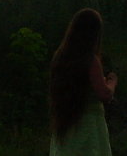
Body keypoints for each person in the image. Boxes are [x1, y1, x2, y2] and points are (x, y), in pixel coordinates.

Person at [49, 8, 117, 156]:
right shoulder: (90, 60)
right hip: (88, 127)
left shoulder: (60, 58)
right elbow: (104, 94)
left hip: (66, 126)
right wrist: (112, 82)